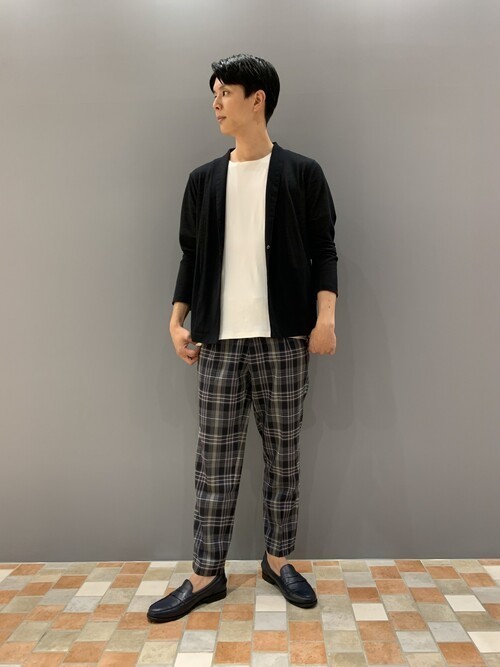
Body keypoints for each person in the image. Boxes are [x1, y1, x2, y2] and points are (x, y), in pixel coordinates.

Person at [147, 53, 338, 624]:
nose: (216, 103)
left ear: (258, 99)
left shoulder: (303, 173)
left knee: (284, 455)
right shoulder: (203, 180)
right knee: (215, 461)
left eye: (225, 92)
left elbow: (324, 250)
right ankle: (207, 573)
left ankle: (278, 561)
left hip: (285, 339)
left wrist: (326, 318)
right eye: (213, 93)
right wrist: (176, 320)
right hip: (219, 342)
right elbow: (190, 256)